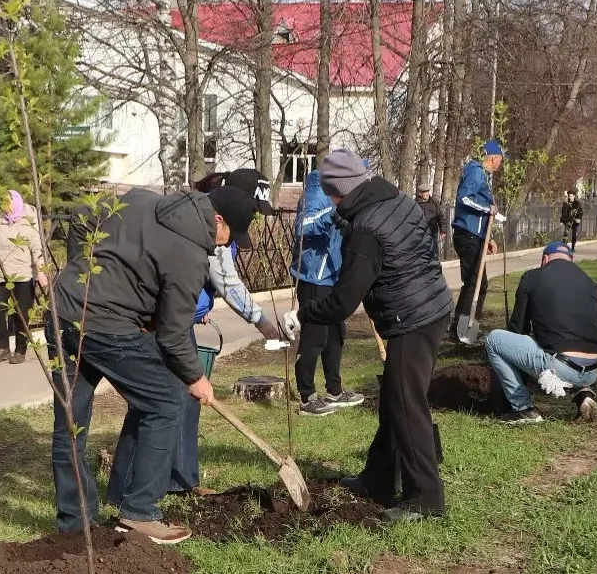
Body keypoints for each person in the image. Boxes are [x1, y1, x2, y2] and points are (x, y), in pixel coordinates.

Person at [49, 184, 261, 544]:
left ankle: (74, 523)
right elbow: (173, 336)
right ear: (217, 219)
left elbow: (82, 215)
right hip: (107, 326)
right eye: (230, 235)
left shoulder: (142, 199)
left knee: (72, 423)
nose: (227, 244)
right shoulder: (191, 256)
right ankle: (139, 512)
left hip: (63, 310)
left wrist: (82, 270)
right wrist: (196, 378)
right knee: (165, 402)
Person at [293, 149, 454, 521]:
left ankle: (426, 499)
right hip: (431, 306)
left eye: (332, 194)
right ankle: (378, 478)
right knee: (395, 401)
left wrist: (303, 314)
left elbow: (344, 301)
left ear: (340, 191)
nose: (331, 200)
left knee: (407, 407)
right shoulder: (395, 198)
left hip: (411, 319)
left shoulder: (367, 229)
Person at [114, 169, 285, 502]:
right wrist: (261, 320)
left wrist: (199, 302)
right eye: (253, 207)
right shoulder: (209, 222)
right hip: (157, 322)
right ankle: (127, 491)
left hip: (179, 321)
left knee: (187, 401)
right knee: (155, 403)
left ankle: (180, 479)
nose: (253, 217)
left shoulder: (221, 218)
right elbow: (224, 277)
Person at [485, 242, 597, 424]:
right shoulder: (588, 281)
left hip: (562, 366)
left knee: (494, 340)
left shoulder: (533, 277)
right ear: (571, 260)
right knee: (570, 338)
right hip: (594, 368)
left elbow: (518, 327)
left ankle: (524, 408)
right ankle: (584, 393)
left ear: (544, 260)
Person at [291, 168, 364, 416]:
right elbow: (302, 227)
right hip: (313, 277)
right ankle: (307, 397)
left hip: (333, 278)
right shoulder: (316, 192)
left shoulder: (341, 196)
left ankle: (335, 390)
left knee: (335, 336)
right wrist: (332, 216)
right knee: (315, 338)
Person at [0, 189, 42, 364]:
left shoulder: (29, 220)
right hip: (0, 274)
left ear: (15, 203)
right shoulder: (0, 219)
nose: (5, 207)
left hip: (23, 274)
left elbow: (37, 247)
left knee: (21, 314)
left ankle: (20, 350)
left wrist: (41, 271)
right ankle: (3, 348)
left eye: (7, 203)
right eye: (2, 203)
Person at [451, 140, 503, 337]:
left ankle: (463, 327)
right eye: (500, 160)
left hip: (476, 235)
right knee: (475, 282)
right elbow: (463, 198)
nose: (500, 165)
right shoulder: (475, 172)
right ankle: (464, 329)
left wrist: (488, 238)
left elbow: (482, 210)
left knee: (477, 283)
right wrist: (487, 209)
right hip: (467, 235)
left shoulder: (483, 176)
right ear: (493, 157)